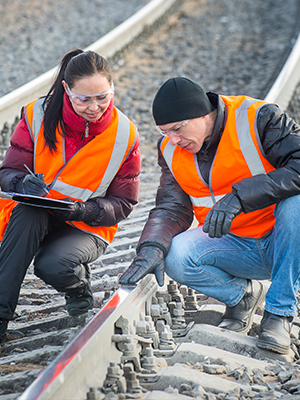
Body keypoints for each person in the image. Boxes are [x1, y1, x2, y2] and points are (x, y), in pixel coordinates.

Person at [120, 76, 300, 355]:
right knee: (176, 254)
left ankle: (279, 314)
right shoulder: (170, 149)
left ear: (204, 114)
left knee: (297, 202)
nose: (174, 140)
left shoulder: (259, 118)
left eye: (178, 129)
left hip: (286, 241)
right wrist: (151, 246)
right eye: (165, 132)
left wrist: (240, 197)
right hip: (238, 246)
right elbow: (171, 206)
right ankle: (242, 298)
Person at [0, 49, 140, 339]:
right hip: (33, 216)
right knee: (28, 211)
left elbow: (124, 202)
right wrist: (23, 183)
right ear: (66, 90)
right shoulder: (36, 116)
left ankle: (78, 287)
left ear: (112, 88)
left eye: (103, 97)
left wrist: (81, 210)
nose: (95, 107)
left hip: (84, 224)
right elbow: (7, 173)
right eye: (84, 99)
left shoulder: (125, 134)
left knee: (53, 265)